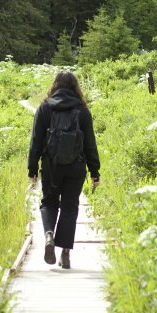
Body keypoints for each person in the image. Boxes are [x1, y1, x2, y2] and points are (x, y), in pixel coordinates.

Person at [28, 70, 101, 269]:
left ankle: (49, 234)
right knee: (70, 207)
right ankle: (66, 252)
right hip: (76, 165)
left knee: (49, 202)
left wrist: (32, 169)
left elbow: (35, 141)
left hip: (52, 165)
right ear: (75, 87)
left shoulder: (44, 109)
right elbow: (90, 144)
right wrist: (95, 171)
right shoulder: (82, 111)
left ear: (55, 86)